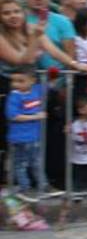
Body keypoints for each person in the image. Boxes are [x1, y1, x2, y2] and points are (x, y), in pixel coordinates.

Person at [6, 67, 48, 201]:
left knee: (36, 162)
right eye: (13, 81)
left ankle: (44, 185)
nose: (16, 84)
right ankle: (25, 188)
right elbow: (13, 116)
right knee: (21, 164)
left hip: (34, 137)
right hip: (19, 138)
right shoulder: (14, 96)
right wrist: (36, 116)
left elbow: (50, 82)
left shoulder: (36, 90)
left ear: (32, 81)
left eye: (20, 81)